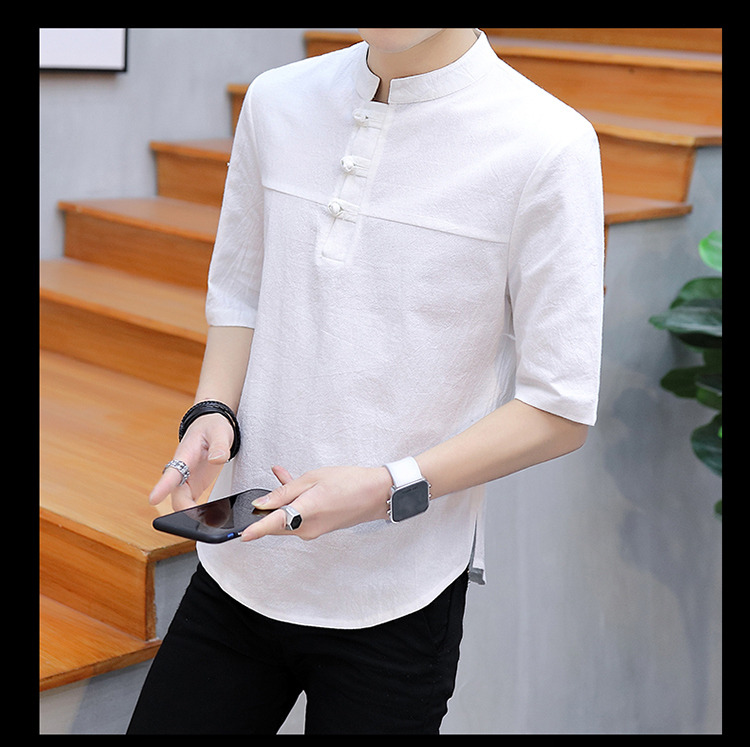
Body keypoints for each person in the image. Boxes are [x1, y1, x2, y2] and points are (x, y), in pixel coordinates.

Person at [128, 28, 604, 734]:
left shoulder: (547, 143)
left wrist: (386, 485)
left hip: (399, 594)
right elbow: (240, 292)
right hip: (246, 564)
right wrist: (213, 410)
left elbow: (558, 407)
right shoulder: (276, 101)